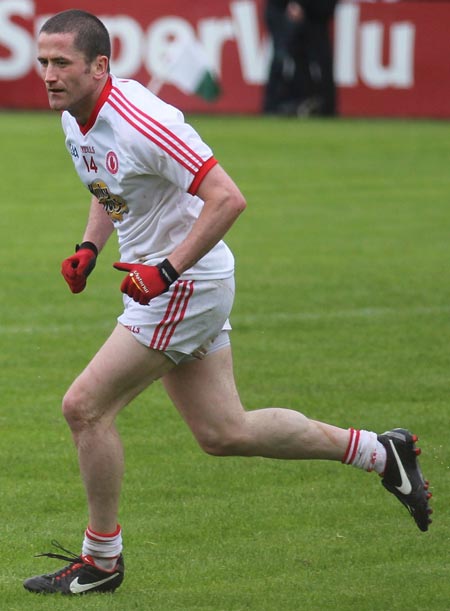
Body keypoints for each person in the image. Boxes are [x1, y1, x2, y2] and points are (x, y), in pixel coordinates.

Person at [24, 9, 431, 596]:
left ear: (100, 66)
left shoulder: (143, 120)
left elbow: (228, 199)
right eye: (42, 62)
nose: (49, 74)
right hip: (185, 284)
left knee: (84, 407)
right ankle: (379, 452)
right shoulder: (74, 117)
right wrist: (89, 246)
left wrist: (165, 270)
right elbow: (111, 189)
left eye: (61, 62)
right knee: (223, 432)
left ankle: (101, 561)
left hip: (185, 285)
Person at [263, 0, 339, 116]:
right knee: (282, 58)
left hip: (316, 13)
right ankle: (274, 106)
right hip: (280, 9)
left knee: (319, 61)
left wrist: (301, 5)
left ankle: (322, 107)